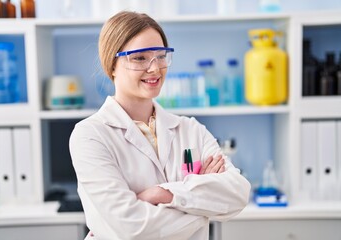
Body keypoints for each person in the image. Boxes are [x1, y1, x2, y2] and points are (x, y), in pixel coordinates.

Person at [69, 11, 251, 240]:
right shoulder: (90, 135)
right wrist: (203, 211)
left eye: (161, 56)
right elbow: (131, 228)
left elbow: (238, 193)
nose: (155, 68)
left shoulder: (190, 129)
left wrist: (164, 194)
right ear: (111, 65)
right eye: (139, 58)